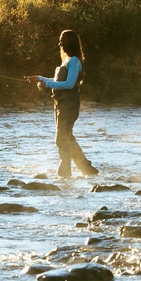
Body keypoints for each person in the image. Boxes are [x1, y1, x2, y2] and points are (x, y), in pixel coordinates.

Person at [25, 29, 99, 178]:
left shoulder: (74, 61)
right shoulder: (66, 61)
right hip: (60, 103)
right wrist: (40, 78)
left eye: (61, 41)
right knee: (67, 136)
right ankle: (86, 169)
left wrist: (47, 85)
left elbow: (69, 84)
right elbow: (58, 82)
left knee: (62, 137)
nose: (59, 44)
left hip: (69, 104)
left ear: (67, 43)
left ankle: (65, 171)